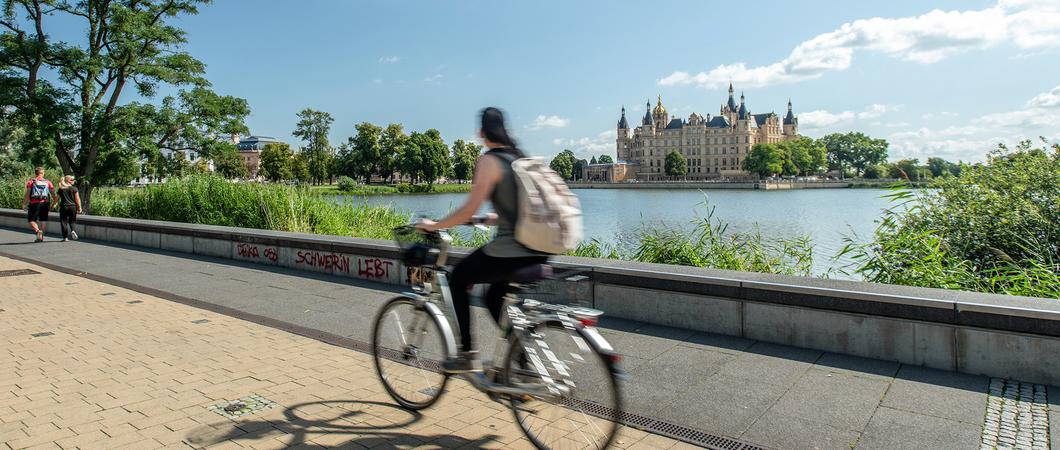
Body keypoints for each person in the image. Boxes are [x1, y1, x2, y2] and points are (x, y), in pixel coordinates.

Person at [416, 107, 548, 373]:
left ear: (481, 132)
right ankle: (523, 367)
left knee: (458, 278)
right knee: (493, 297)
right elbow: (523, 210)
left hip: (513, 250)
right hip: (541, 248)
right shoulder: (519, 158)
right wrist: (493, 218)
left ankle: (466, 353)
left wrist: (435, 225)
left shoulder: (490, 160)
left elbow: (466, 209)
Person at [22, 167, 56, 243]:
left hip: (34, 203)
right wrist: (54, 202)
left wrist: (24, 203)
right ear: (43, 173)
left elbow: (27, 194)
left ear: (35, 173)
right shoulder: (48, 182)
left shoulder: (31, 182)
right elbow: (53, 193)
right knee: (43, 220)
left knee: (31, 220)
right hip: (45, 203)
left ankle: (37, 231)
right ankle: (40, 237)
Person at [55, 175, 82, 242]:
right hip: (72, 207)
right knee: (72, 221)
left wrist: (53, 204)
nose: (73, 181)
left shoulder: (61, 189)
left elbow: (56, 199)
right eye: (72, 180)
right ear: (68, 181)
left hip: (63, 206)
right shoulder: (74, 188)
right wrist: (79, 207)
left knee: (63, 222)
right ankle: (73, 230)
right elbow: (77, 199)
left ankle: (65, 238)